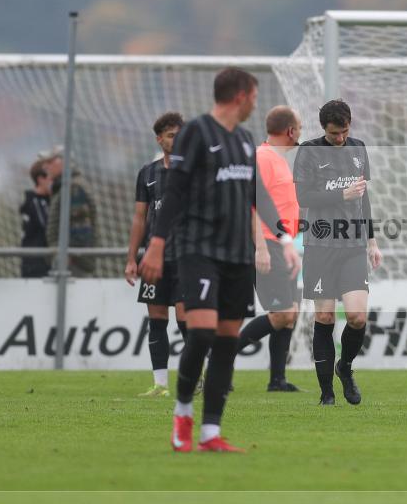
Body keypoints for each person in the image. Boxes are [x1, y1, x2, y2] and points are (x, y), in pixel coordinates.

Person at [139, 67, 288, 453]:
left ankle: (210, 432)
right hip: (199, 249)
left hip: (237, 253)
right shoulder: (196, 132)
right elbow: (174, 193)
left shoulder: (243, 138)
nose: (255, 103)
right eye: (254, 96)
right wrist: (156, 244)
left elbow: (256, 193)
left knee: (225, 342)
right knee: (201, 333)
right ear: (240, 95)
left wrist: (285, 237)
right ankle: (183, 412)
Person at [293, 99, 382, 406]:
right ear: (323, 129)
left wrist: (372, 241)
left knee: (357, 316)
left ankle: (344, 366)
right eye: (334, 134)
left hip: (353, 245)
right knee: (326, 316)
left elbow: (364, 197)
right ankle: (326, 393)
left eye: (344, 131)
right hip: (320, 246)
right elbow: (302, 195)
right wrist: (340, 193)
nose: (340, 138)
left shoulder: (358, 149)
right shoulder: (308, 151)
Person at [237, 105, 302, 392]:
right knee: (282, 314)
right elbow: (251, 203)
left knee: (291, 313)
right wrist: (261, 247)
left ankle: (277, 380)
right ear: (290, 131)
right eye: (298, 128)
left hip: (282, 245)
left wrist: (291, 248)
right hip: (265, 244)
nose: (300, 133)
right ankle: (218, 359)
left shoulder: (276, 159)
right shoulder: (262, 157)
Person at [125, 112, 187, 397]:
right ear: (159, 139)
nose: (176, 140)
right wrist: (131, 258)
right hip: (154, 259)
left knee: (187, 318)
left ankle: (196, 374)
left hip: (187, 256)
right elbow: (140, 218)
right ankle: (160, 384)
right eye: (171, 135)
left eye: (180, 135)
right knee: (157, 318)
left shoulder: (194, 171)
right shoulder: (147, 174)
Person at [46, 148, 99, 277]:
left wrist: (67, 255)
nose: (46, 166)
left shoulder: (73, 188)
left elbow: (81, 230)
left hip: (74, 263)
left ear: (63, 162)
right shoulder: (68, 186)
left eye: (51, 161)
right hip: (71, 260)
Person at [19, 160, 52, 278]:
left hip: (45, 263)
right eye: (51, 178)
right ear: (40, 179)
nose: (53, 182)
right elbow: (46, 225)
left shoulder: (47, 200)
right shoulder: (34, 202)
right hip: (35, 264)